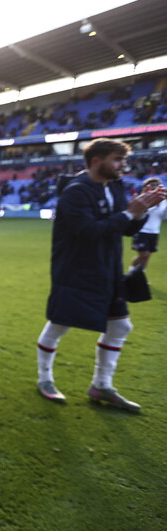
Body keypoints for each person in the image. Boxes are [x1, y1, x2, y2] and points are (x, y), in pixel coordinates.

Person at [35, 138, 166, 411]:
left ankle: (101, 385)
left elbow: (124, 228)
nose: (123, 166)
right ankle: (44, 379)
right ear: (97, 161)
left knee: (120, 326)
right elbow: (88, 232)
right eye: (118, 160)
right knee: (60, 324)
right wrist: (130, 212)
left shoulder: (115, 187)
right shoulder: (76, 191)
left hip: (107, 270)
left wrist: (141, 211)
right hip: (76, 271)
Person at [129, 176, 166, 272]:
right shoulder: (142, 197)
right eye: (152, 185)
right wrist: (154, 205)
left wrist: (161, 206)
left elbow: (163, 216)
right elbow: (142, 212)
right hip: (142, 230)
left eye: (156, 185)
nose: (154, 187)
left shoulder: (163, 200)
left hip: (154, 231)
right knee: (143, 254)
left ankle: (140, 277)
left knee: (147, 256)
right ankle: (131, 271)